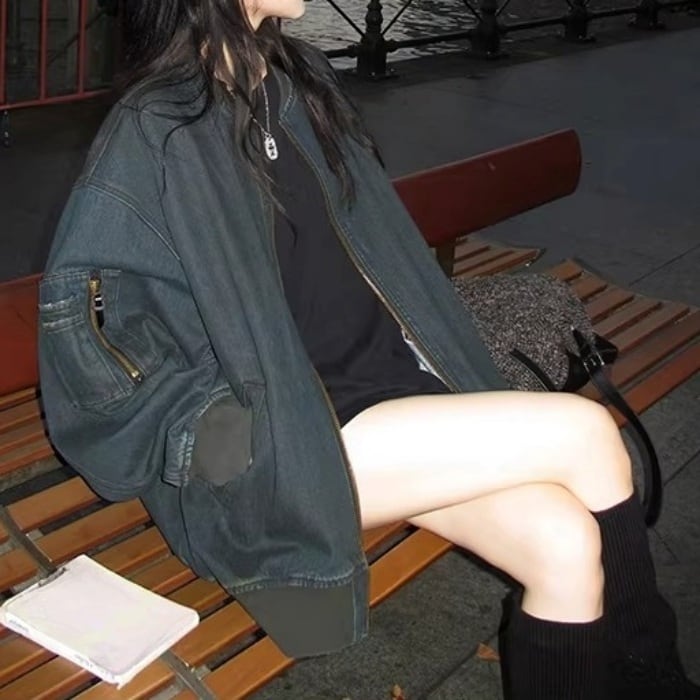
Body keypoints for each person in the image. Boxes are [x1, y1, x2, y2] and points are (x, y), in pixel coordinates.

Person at [37, 1, 698, 698]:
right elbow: (84, 328)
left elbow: (367, 255)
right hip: (293, 436)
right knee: (585, 433)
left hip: (385, 397)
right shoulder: (158, 127)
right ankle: (656, 679)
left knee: (564, 544)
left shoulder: (294, 80)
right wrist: (217, 438)